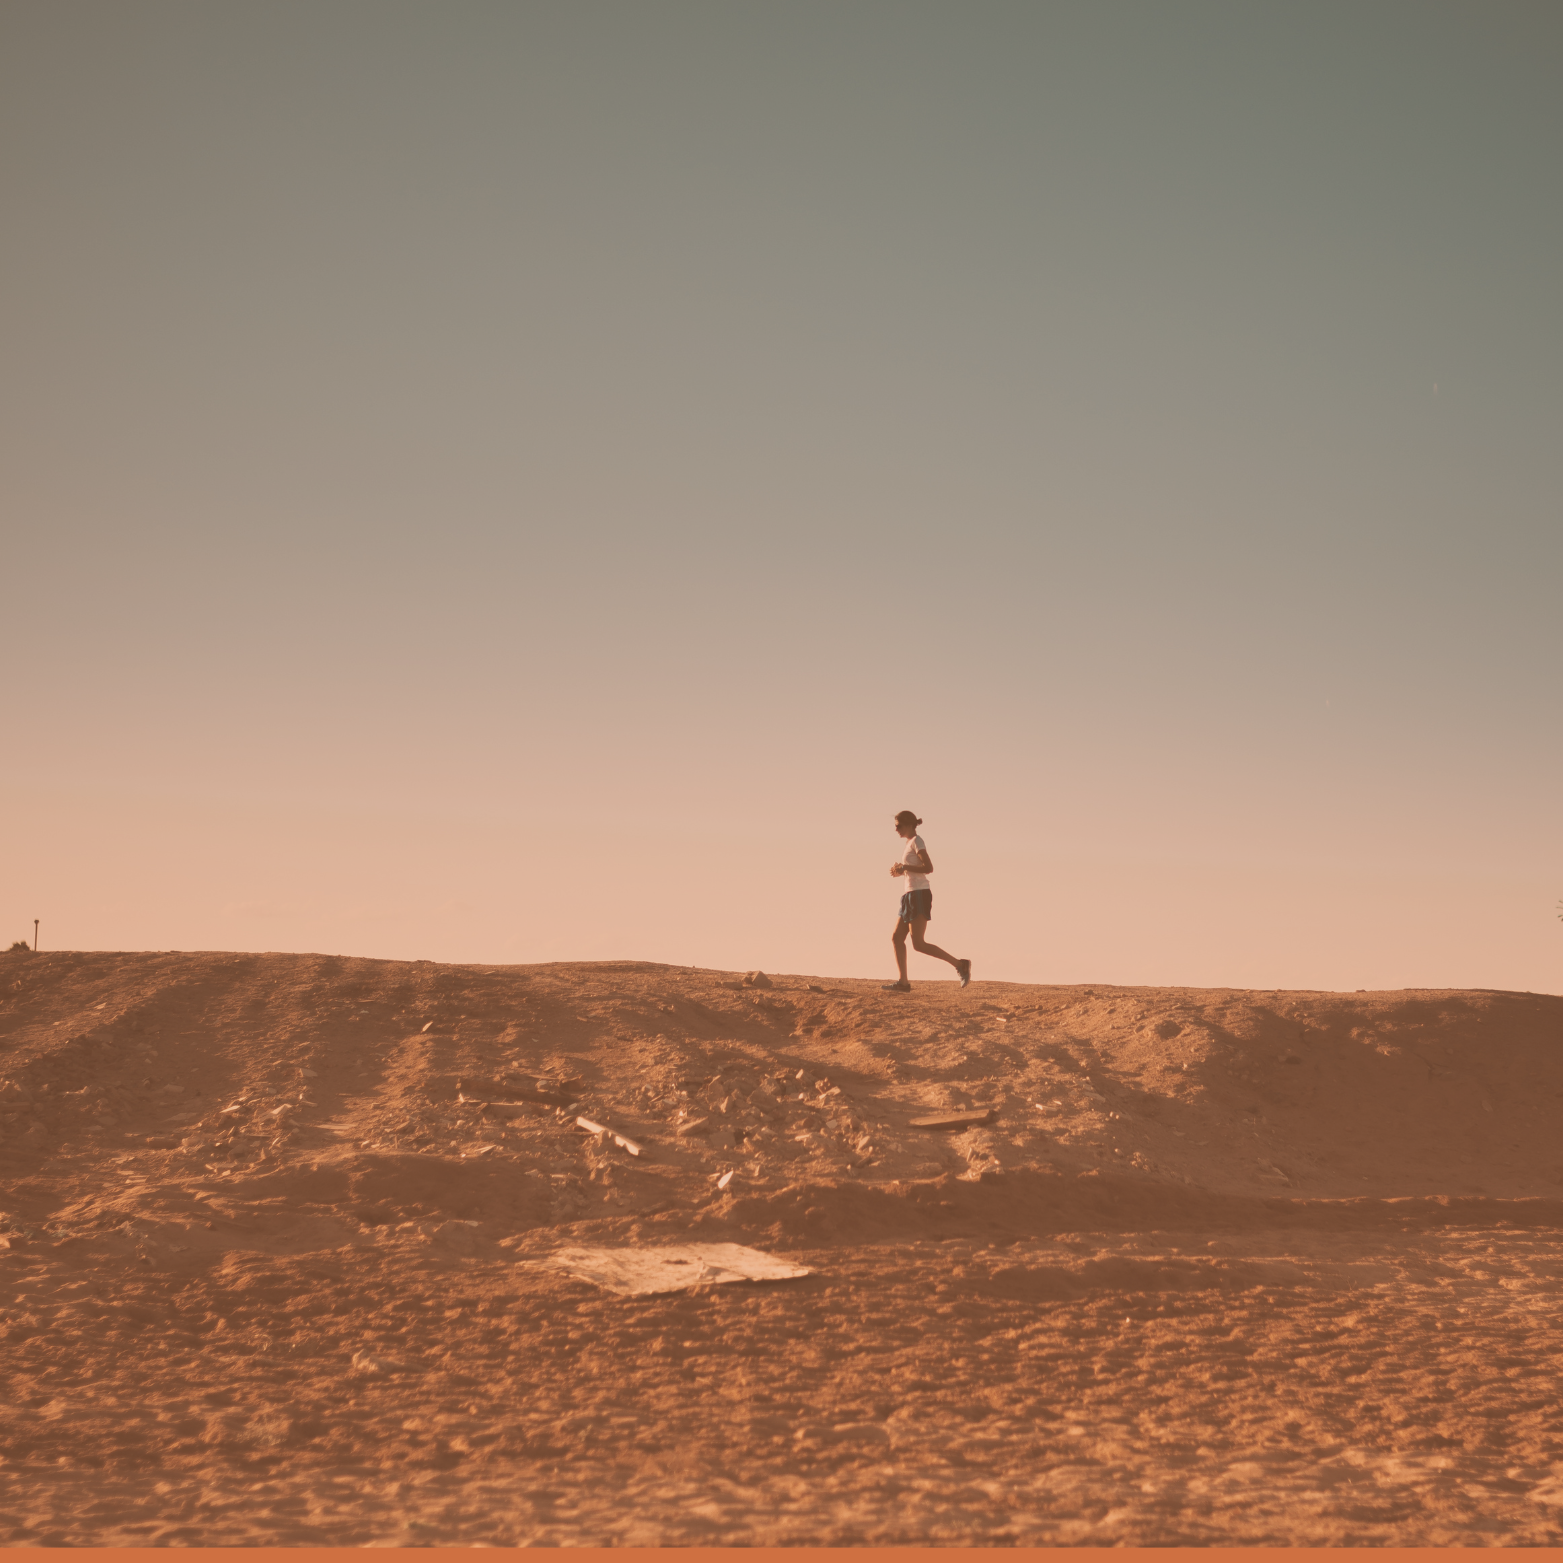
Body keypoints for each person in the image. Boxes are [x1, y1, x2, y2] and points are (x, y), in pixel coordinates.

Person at [884, 810, 971, 992]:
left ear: (909, 825)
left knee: (919, 944)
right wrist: (901, 871)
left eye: (898, 825)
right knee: (897, 937)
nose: (896, 829)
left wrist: (904, 866)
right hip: (909, 895)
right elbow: (915, 869)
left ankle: (960, 964)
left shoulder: (917, 841)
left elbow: (928, 867)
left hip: (919, 895)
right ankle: (903, 982)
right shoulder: (910, 843)